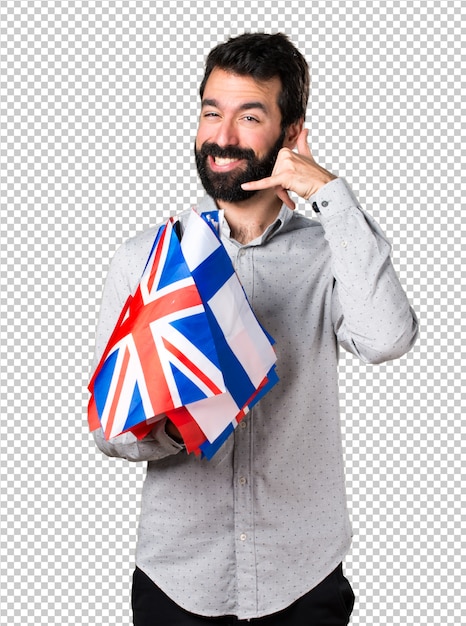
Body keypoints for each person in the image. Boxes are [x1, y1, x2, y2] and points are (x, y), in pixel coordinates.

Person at [91, 33, 418, 625]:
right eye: (211, 112)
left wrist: (328, 192)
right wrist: (173, 424)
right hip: (178, 581)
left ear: (292, 134)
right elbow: (109, 430)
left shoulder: (331, 251)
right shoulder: (146, 260)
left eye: (250, 116)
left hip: (303, 578)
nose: (222, 136)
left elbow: (388, 337)